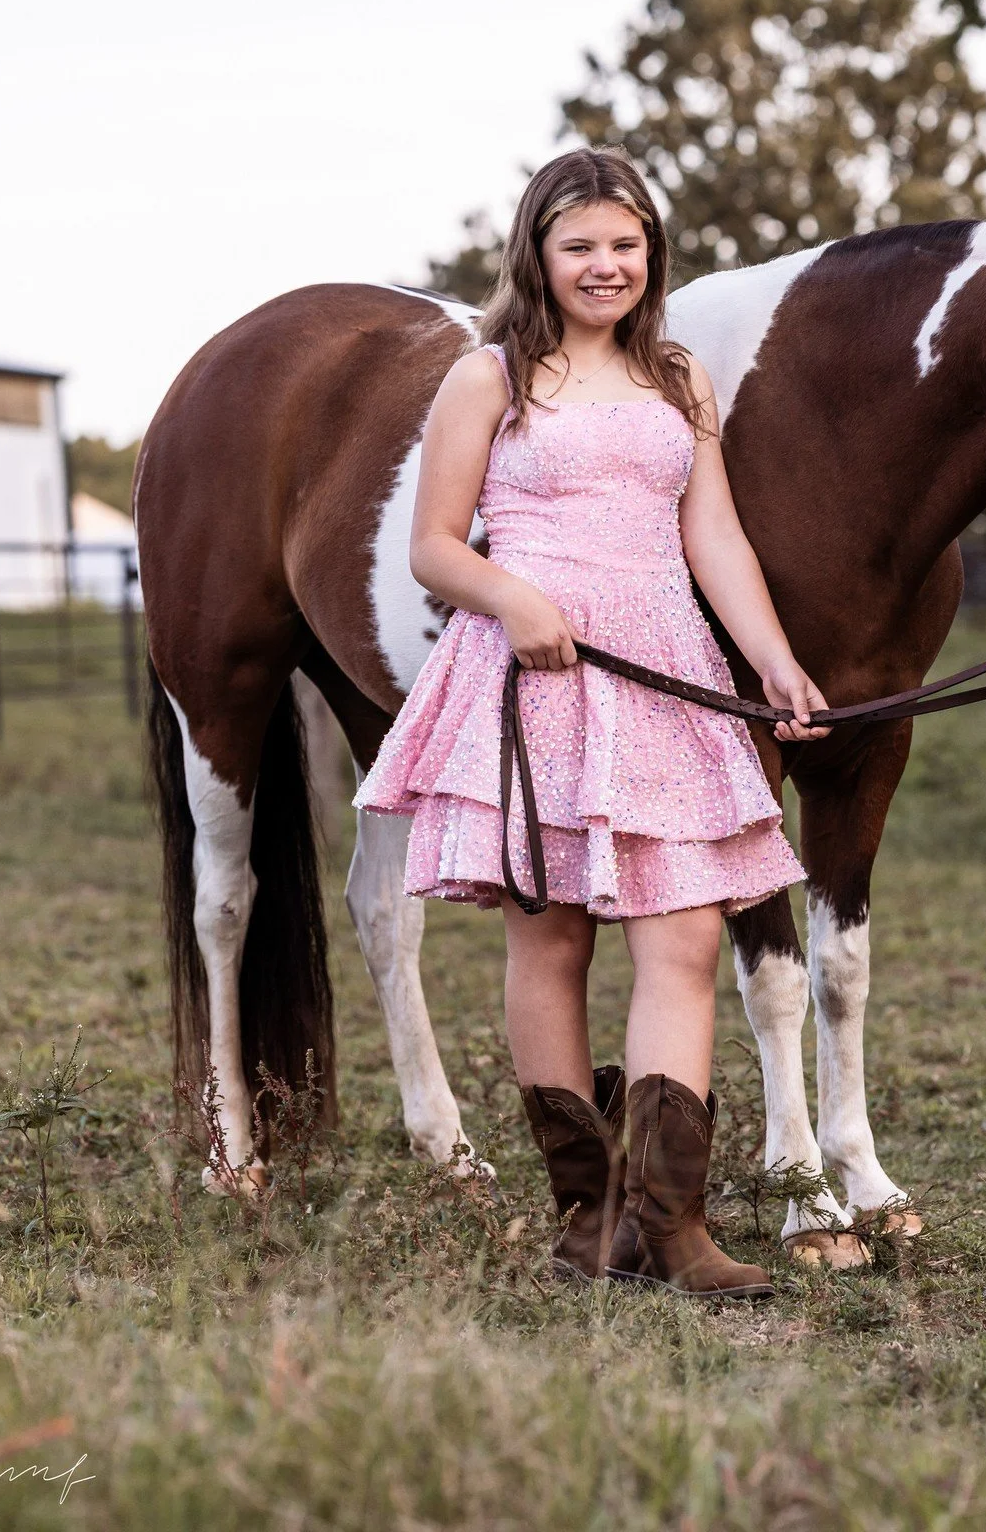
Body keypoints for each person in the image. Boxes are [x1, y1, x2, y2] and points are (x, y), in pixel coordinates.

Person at [355, 147, 827, 1299]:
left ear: (651, 255)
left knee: (687, 935)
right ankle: (590, 1217)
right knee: (551, 937)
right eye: (580, 247)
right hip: (536, 682)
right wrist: (516, 599)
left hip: (662, 671)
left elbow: (713, 537)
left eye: (625, 245)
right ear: (539, 255)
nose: (605, 265)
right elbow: (435, 545)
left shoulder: (679, 378)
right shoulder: (489, 378)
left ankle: (675, 1227)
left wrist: (773, 662)